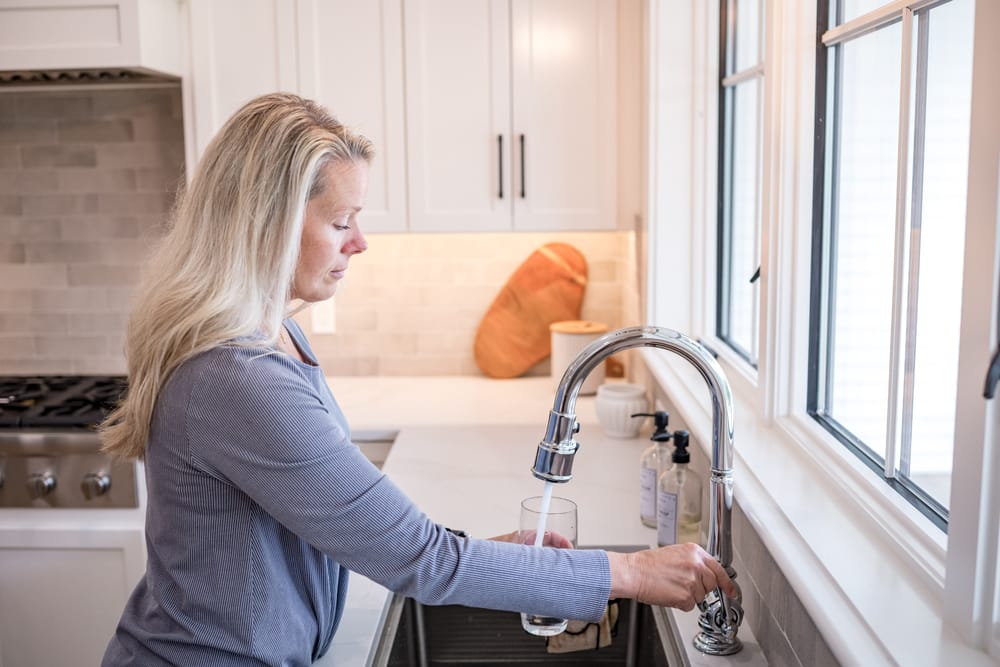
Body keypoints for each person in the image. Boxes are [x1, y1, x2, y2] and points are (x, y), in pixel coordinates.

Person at [99, 92, 736, 666]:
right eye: (342, 221)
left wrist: (509, 558)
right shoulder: (236, 379)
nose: (361, 243)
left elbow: (351, 531)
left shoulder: (278, 335)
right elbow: (421, 559)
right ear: (267, 224)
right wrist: (629, 572)